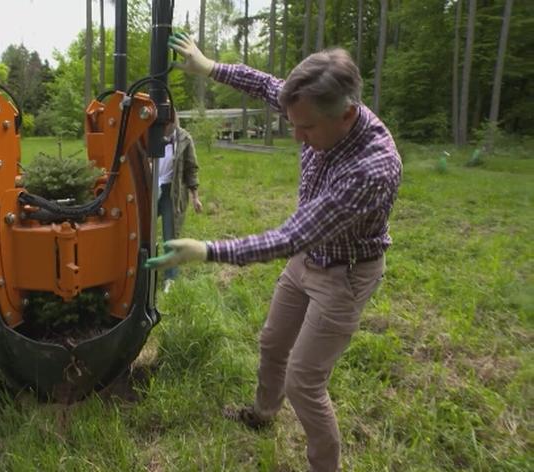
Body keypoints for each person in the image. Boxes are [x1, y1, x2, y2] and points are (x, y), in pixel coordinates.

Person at [149, 32, 402, 472]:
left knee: (305, 380)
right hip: (307, 259)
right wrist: (208, 67)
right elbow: (266, 84)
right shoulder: (314, 101)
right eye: (293, 124)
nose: (298, 138)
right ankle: (263, 414)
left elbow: (289, 237)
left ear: (346, 115)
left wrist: (207, 250)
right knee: (272, 343)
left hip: (343, 274)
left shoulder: (372, 169)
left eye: (307, 128)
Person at [156, 113, 202, 293]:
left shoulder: (184, 139)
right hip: (150, 190)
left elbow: (191, 169)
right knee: (141, 231)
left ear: (174, 122)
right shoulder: (150, 133)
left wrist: (195, 197)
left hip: (171, 193)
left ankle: (170, 278)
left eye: (168, 124)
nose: (165, 128)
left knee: (170, 235)